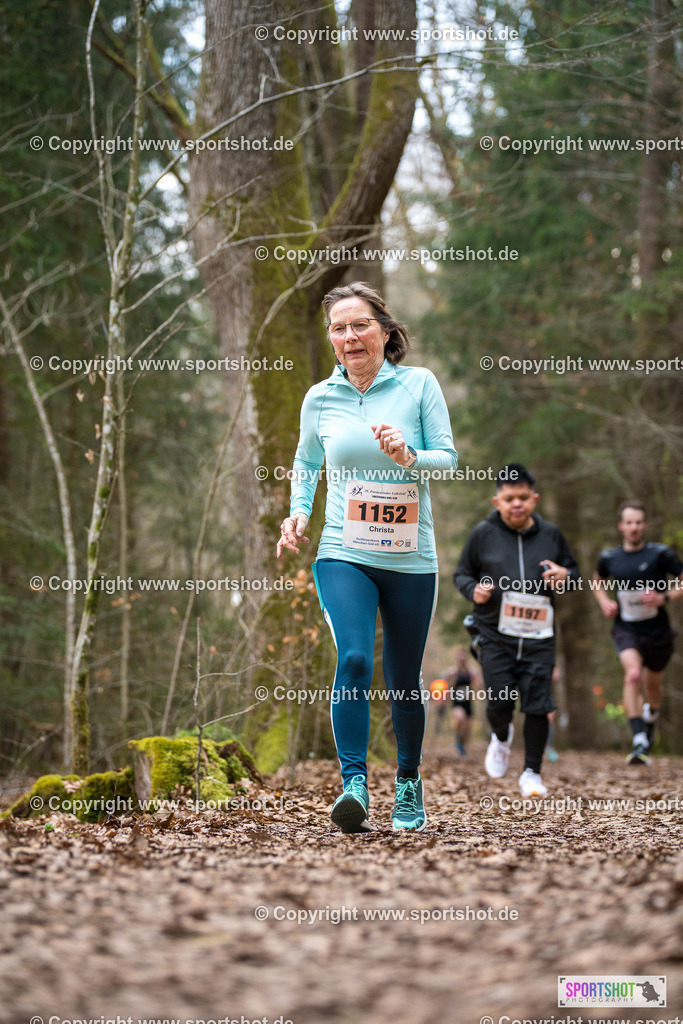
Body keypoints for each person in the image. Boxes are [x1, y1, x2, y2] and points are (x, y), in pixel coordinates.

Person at [276, 281, 457, 833]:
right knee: (354, 659)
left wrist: (409, 454)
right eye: (338, 328)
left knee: (403, 677)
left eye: (360, 325)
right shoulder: (319, 398)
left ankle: (407, 783)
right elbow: (307, 463)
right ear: (330, 339)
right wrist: (298, 513)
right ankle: (353, 782)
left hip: (410, 558)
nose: (350, 336)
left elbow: (447, 461)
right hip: (342, 552)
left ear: (383, 330)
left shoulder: (419, 386)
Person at [453, 464, 579, 797]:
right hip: (495, 635)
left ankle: (532, 773)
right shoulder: (482, 534)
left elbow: (574, 574)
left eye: (523, 497)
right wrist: (473, 590)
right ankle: (502, 736)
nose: (517, 504)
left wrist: (565, 576)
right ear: (498, 501)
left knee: (538, 704)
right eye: (509, 499)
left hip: (539, 636)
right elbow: (462, 574)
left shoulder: (551, 535)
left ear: (534, 499)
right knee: (499, 701)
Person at [592, 501, 683, 765]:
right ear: (621, 526)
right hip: (626, 628)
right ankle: (639, 738)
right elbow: (597, 581)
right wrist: (604, 602)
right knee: (632, 675)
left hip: (658, 632)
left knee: (653, 686)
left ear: (645, 525)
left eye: (638, 522)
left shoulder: (661, 554)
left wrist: (664, 597)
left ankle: (651, 716)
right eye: (629, 522)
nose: (634, 527)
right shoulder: (610, 558)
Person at [444, 649, 480, 757]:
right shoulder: (452, 671)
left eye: (464, 656)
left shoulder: (472, 672)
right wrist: (445, 696)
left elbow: (480, 685)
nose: (462, 659)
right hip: (457, 702)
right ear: (457, 659)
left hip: (468, 702)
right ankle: (459, 742)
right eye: (460, 656)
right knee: (460, 719)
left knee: (467, 728)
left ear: (467, 659)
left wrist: (477, 682)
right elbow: (444, 685)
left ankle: (461, 746)